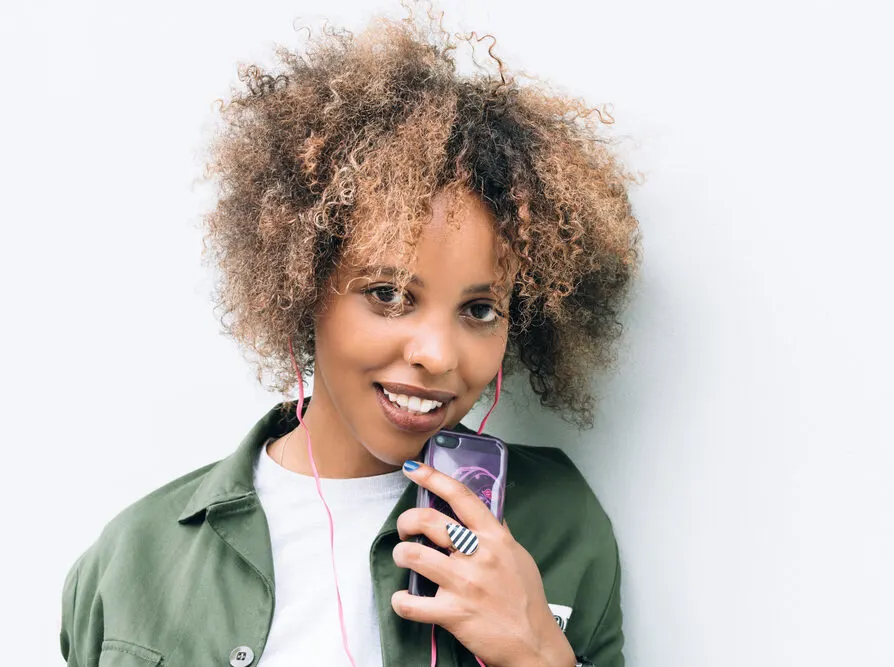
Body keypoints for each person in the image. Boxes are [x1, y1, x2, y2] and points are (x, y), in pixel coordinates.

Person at [59, 11, 640, 667]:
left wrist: (535, 653)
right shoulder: (133, 558)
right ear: (303, 285)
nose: (437, 354)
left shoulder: (557, 525)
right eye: (389, 294)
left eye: (479, 308)